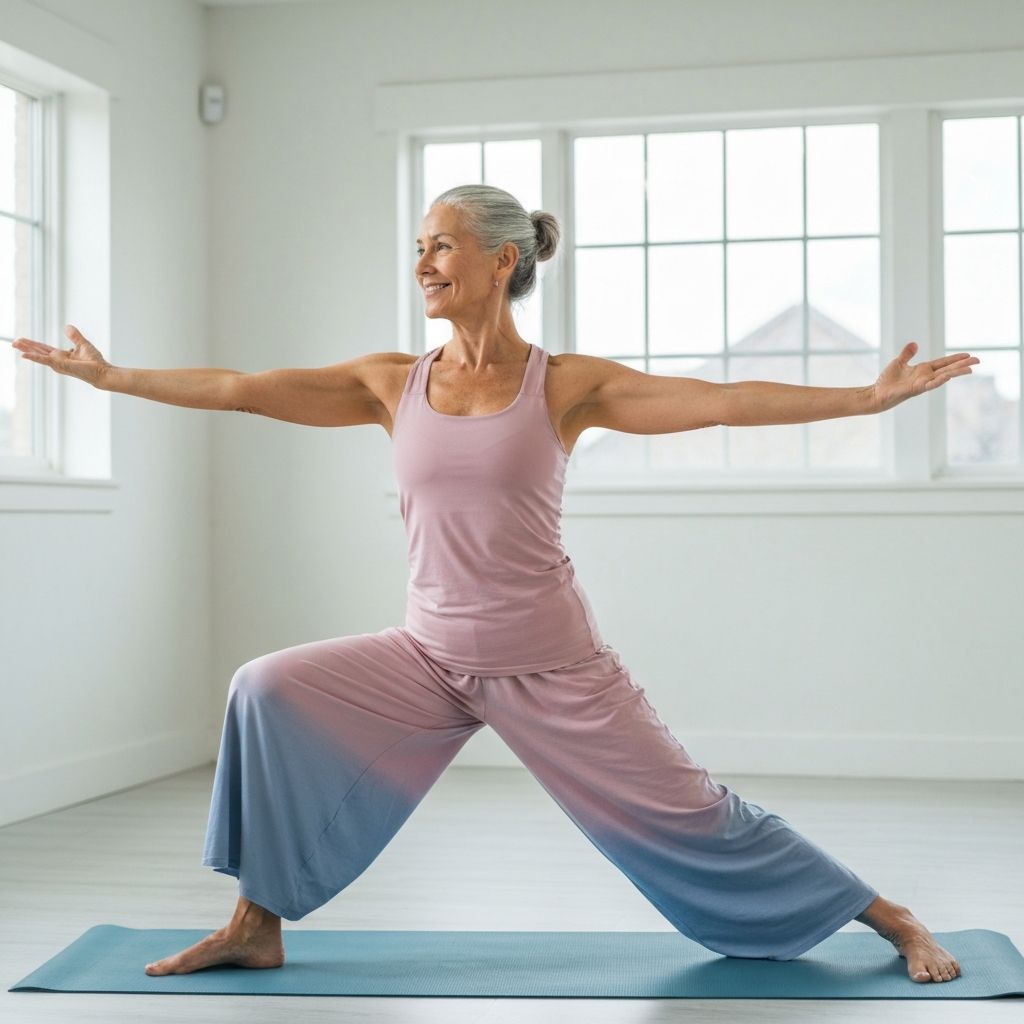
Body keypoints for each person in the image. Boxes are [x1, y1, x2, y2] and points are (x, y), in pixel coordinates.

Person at [12, 184, 977, 985]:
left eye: (441, 246)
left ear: (501, 262)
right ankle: (254, 923)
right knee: (265, 686)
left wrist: (867, 396)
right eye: (419, 247)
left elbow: (722, 402)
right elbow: (240, 387)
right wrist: (113, 380)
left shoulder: (565, 385)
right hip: (426, 655)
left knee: (695, 814)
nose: (425, 262)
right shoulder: (389, 383)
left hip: (548, 662)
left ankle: (887, 917)